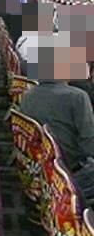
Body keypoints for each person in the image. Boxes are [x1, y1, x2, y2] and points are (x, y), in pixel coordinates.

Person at [20, 77, 94, 207]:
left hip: (43, 175)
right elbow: (89, 147)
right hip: (72, 179)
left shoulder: (27, 96)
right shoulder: (78, 97)